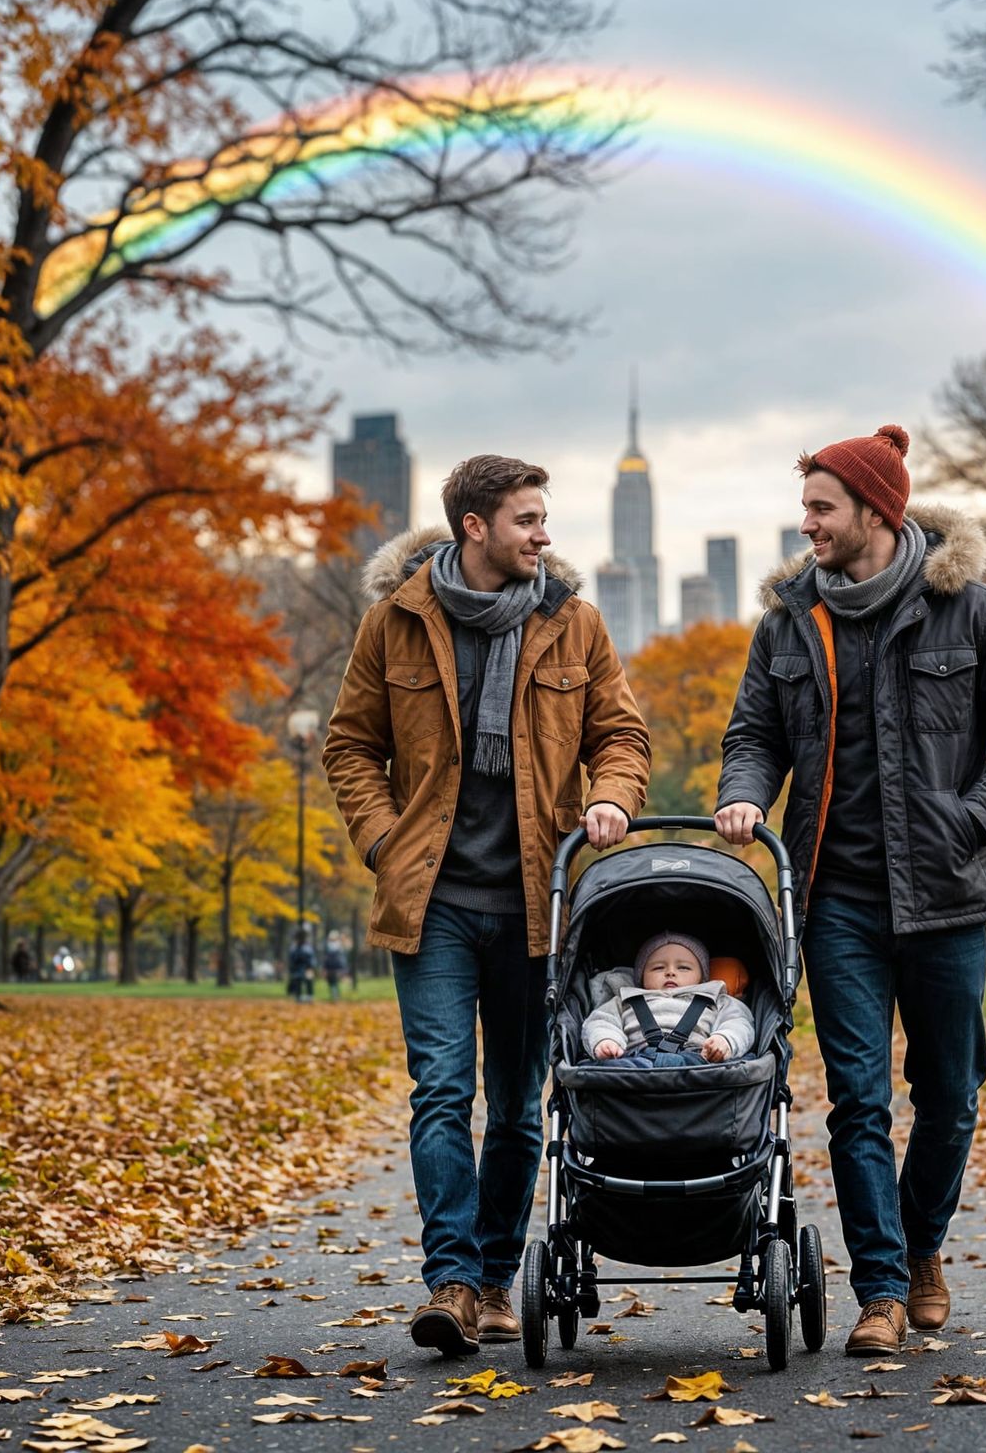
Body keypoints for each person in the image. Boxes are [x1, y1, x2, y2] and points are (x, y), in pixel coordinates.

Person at [715, 425, 986, 1355]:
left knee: (950, 1093)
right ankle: (880, 1291)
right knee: (858, 1101)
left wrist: (969, 818)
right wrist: (745, 793)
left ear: (876, 509)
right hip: (835, 898)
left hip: (945, 894)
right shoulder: (789, 620)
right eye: (805, 508)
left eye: (822, 508)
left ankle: (920, 1250)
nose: (807, 524)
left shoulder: (973, 611)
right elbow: (753, 735)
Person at [323, 455, 651, 1359]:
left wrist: (611, 796)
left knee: (513, 1106)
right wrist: (385, 842)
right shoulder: (394, 623)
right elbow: (350, 747)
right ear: (475, 527)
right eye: (526, 519)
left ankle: (499, 1278)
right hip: (431, 902)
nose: (543, 534)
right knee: (440, 1091)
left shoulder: (574, 623)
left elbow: (622, 735)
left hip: (537, 905)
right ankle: (453, 1283)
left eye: (543, 518)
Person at [582, 931, 755, 1068]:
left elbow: (738, 1022)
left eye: (683, 967)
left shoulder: (715, 998)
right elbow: (600, 1021)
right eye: (658, 968)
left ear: (701, 977)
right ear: (641, 977)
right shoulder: (624, 999)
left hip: (699, 1061)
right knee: (607, 1068)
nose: (670, 972)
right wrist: (606, 1040)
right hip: (635, 1061)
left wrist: (725, 1040)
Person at [287, 929, 315, 1002]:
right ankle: (298, 996)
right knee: (298, 982)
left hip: (307, 967)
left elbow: (311, 958)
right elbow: (292, 958)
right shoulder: (294, 947)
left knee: (308, 982)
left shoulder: (307, 946)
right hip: (298, 968)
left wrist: (310, 967)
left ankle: (309, 997)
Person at [322, 933, 348, 1002]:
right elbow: (326, 959)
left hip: (336, 968)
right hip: (330, 968)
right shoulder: (329, 948)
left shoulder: (339, 948)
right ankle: (335, 996)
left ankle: (335, 997)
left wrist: (343, 969)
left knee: (334, 982)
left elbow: (342, 960)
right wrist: (325, 968)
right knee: (332, 983)